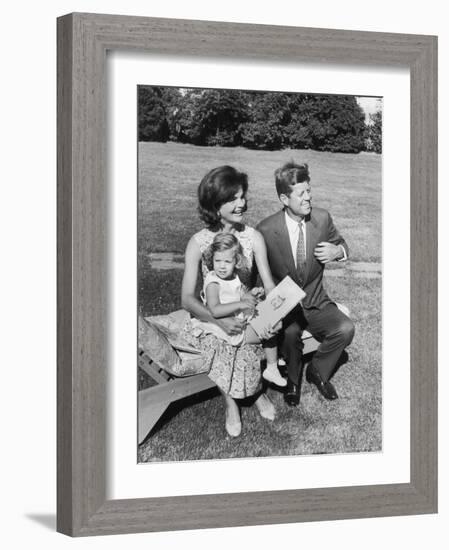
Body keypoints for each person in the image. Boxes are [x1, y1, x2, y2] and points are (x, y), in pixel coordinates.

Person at [180, 165, 281, 437]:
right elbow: (187, 298)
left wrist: (272, 315)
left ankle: (254, 391)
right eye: (233, 198)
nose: (242, 204)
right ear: (215, 204)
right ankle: (232, 403)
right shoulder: (198, 242)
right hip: (212, 313)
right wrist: (219, 321)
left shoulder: (252, 238)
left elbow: (269, 286)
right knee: (225, 344)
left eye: (242, 196)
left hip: (246, 309)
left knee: (254, 336)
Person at [257, 161, 355, 407]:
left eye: (309, 191)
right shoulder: (266, 230)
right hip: (285, 306)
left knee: (345, 329)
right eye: (301, 194)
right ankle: (293, 381)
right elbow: (255, 275)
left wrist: (337, 251)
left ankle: (318, 372)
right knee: (290, 334)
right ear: (284, 198)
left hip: (316, 301)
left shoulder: (321, 219)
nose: (308, 198)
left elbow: (344, 245)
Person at [191, 232, 286, 387]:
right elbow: (214, 310)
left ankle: (272, 359)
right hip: (227, 326)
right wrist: (240, 305)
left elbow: (240, 296)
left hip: (239, 316)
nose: (222, 266)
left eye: (227, 261)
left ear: (236, 261)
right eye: (218, 260)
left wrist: (252, 294)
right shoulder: (213, 282)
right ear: (211, 259)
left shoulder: (233, 277)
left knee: (273, 318)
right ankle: (272, 365)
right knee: (270, 328)